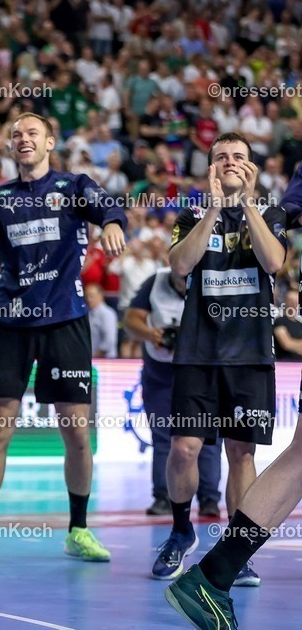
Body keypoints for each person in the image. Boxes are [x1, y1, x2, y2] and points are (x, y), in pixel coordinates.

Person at [0, 112, 127, 564]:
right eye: (17, 134)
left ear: (49, 142)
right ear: (9, 146)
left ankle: (78, 530)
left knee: (77, 434)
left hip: (65, 320)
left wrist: (114, 222)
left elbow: (108, 208)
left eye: (32, 133)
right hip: (11, 321)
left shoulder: (75, 186)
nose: (24, 139)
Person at [151, 133, 286, 588]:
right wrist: (212, 209)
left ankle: (236, 550)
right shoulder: (190, 214)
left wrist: (247, 204)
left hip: (249, 356)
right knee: (184, 449)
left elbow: (273, 263)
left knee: (241, 452)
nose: (230, 162)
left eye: (239, 157)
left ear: (253, 167)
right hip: (197, 353)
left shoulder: (269, 214)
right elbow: (180, 266)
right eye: (221, 157)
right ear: (208, 167)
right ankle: (180, 530)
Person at [123, 268, 222, 517]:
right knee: (163, 435)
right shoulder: (154, 280)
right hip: (161, 373)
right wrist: (150, 333)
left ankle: (209, 498)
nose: (182, 283)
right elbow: (131, 318)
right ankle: (163, 497)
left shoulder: (210, 280)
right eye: (179, 278)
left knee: (208, 438)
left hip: (202, 371)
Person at [84, 282, 118, 358]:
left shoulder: (107, 313)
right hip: (91, 358)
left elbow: (109, 340)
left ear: (100, 296)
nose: (88, 299)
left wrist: (96, 356)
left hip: (105, 360)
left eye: (91, 296)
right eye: (86, 296)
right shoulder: (87, 314)